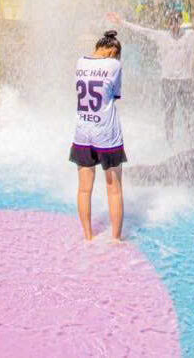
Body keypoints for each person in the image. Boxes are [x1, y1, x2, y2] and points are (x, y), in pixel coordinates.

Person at [112, 11, 194, 145]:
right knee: (169, 113)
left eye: (176, 22)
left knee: (188, 112)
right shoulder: (161, 36)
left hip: (185, 81)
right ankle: (170, 142)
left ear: (180, 22)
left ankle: (192, 141)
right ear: (168, 24)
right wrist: (121, 22)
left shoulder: (190, 36)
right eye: (171, 22)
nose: (174, 25)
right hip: (168, 81)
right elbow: (143, 31)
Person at [70, 29, 126, 241]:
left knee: (84, 189)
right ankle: (115, 239)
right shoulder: (114, 65)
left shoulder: (80, 62)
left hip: (82, 134)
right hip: (107, 135)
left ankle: (88, 237)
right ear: (112, 52)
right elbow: (115, 95)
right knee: (114, 189)